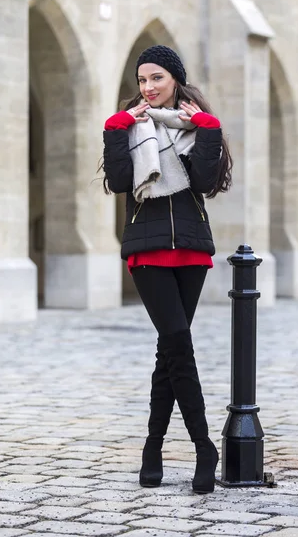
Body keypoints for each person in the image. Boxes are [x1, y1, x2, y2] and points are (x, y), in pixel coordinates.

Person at [100, 45, 233, 494]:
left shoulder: (195, 126)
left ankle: (153, 447)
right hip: (147, 249)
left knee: (169, 353)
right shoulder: (132, 125)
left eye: (156, 78)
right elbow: (120, 182)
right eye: (141, 80)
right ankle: (204, 447)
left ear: (174, 79)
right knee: (178, 340)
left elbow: (205, 183)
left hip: (192, 249)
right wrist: (114, 131)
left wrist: (209, 130)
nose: (148, 88)